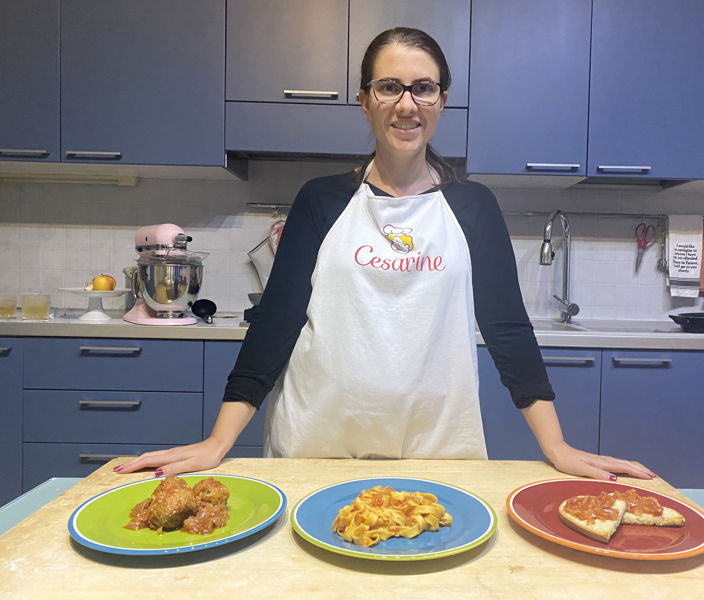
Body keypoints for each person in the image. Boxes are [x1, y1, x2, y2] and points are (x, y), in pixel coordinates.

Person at [117, 27, 655, 482]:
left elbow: (508, 329)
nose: (407, 104)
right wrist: (218, 442)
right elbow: (276, 323)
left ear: (441, 99)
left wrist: (556, 447)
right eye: (389, 87)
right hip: (316, 444)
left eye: (423, 88)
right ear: (364, 98)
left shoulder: (473, 207)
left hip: (438, 451)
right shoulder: (321, 201)